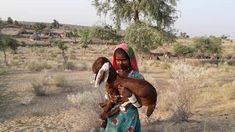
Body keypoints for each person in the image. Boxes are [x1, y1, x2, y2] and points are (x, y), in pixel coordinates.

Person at [100, 43, 144, 132]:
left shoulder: (137, 78)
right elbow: (107, 98)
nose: (120, 63)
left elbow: (139, 105)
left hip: (130, 120)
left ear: (130, 59)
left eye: (124, 60)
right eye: (118, 60)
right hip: (112, 119)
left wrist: (130, 95)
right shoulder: (112, 75)